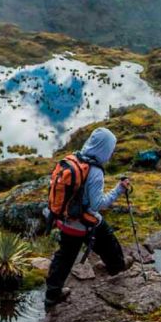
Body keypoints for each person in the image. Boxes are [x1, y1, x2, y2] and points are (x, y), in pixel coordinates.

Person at [45, 127, 129, 308]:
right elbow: (98, 205)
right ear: (104, 148)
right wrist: (119, 190)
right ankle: (119, 275)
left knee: (64, 258)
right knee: (110, 245)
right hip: (85, 223)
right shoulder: (95, 172)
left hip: (65, 220)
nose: (112, 152)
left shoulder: (73, 159)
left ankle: (52, 296)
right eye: (111, 149)